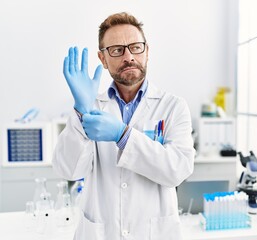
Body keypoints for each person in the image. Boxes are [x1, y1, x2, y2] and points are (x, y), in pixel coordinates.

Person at [53, 12, 195, 240]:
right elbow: (68, 171)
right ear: (102, 59)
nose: (128, 56)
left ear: (147, 51)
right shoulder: (90, 106)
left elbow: (177, 170)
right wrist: (81, 109)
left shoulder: (174, 107)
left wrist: (124, 136)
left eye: (135, 47)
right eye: (117, 50)